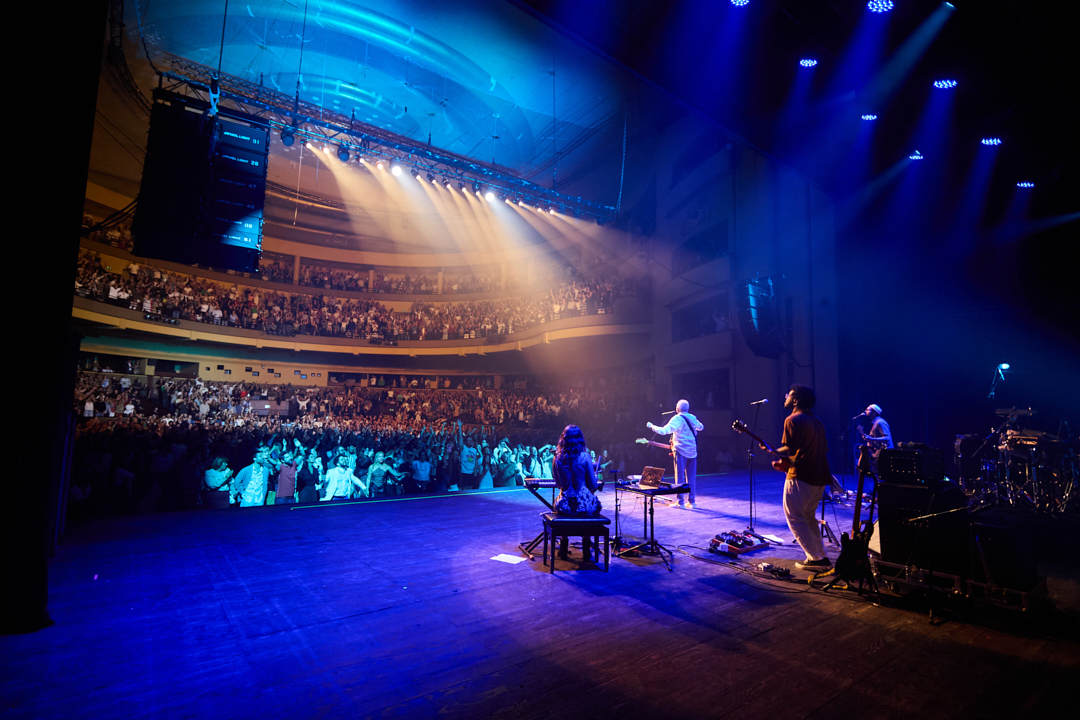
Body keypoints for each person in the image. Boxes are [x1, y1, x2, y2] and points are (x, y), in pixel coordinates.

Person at [760, 385, 833, 571]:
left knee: (795, 518)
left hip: (801, 475)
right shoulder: (816, 420)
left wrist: (773, 451)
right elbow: (816, 449)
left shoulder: (792, 419)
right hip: (819, 476)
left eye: (789, 395)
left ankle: (815, 559)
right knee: (809, 517)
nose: (786, 396)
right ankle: (821, 556)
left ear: (796, 400)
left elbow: (789, 449)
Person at [551, 424, 603, 560]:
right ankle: (586, 546)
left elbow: (558, 485)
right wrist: (594, 477)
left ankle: (563, 546)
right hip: (583, 505)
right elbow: (593, 486)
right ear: (580, 439)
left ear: (563, 439)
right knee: (589, 506)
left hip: (564, 506)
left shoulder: (556, 458)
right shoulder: (585, 457)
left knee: (563, 507)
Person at [646, 399, 704, 509]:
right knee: (691, 478)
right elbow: (701, 427)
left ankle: (680, 502)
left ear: (677, 409)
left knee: (680, 478)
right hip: (692, 451)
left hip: (681, 450)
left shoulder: (677, 419)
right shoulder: (692, 417)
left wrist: (651, 426)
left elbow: (663, 431)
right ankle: (692, 502)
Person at [858, 404, 893, 473]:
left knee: (881, 473)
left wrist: (872, 439)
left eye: (868, 410)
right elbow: (871, 439)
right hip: (879, 452)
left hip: (885, 452)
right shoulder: (875, 423)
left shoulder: (880, 422)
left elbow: (887, 438)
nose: (865, 411)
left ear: (874, 412)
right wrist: (862, 433)